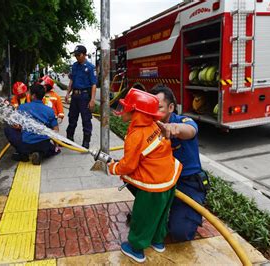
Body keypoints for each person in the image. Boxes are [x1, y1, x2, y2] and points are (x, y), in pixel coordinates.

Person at [107, 88, 182, 263]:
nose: (122, 110)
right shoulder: (154, 125)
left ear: (136, 112)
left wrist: (113, 168)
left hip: (153, 186)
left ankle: (136, 249)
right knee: (160, 214)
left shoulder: (136, 135)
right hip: (169, 180)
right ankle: (157, 241)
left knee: (143, 215)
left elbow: (129, 165)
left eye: (126, 107)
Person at [150, 85, 210, 242]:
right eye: (151, 107)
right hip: (162, 181)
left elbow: (190, 130)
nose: (154, 112)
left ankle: (190, 213)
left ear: (171, 107)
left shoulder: (182, 121)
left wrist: (174, 128)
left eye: (159, 108)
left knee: (180, 233)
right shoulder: (150, 125)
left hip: (187, 183)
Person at [5, 84, 60, 165]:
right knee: (51, 150)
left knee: (8, 129)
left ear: (33, 96)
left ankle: (23, 154)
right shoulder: (49, 110)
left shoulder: (22, 107)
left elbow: (15, 125)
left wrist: (22, 127)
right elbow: (56, 130)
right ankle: (40, 154)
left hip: (27, 144)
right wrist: (56, 146)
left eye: (29, 93)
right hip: (43, 144)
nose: (28, 95)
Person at [65, 45, 97, 149]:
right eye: (75, 55)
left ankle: (86, 141)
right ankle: (69, 137)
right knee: (72, 118)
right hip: (75, 96)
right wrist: (67, 93)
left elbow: (93, 84)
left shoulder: (90, 67)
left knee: (86, 119)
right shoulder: (74, 66)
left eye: (78, 55)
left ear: (84, 54)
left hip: (84, 97)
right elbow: (72, 80)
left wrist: (92, 100)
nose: (76, 57)